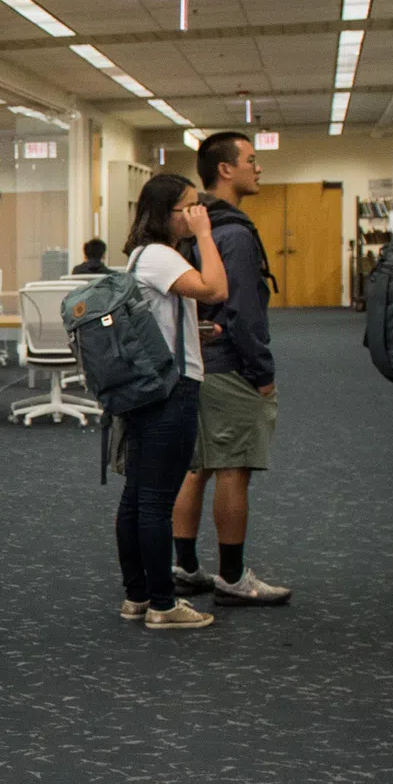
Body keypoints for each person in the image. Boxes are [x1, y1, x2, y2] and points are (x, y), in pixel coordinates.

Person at [169, 132, 291, 606]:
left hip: (195, 362)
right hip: (229, 368)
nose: (257, 169)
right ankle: (233, 577)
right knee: (233, 469)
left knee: (196, 466)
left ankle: (184, 566)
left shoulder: (192, 228)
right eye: (251, 161)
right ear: (225, 169)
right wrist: (261, 372)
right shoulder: (234, 233)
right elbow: (243, 310)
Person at [114, 174, 229, 630]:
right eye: (189, 207)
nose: (196, 212)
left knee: (138, 496)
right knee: (156, 501)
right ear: (165, 212)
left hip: (149, 385)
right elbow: (217, 290)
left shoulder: (142, 256)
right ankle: (163, 604)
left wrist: (194, 331)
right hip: (171, 389)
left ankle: (137, 597)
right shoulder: (161, 256)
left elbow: (162, 316)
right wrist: (205, 235)